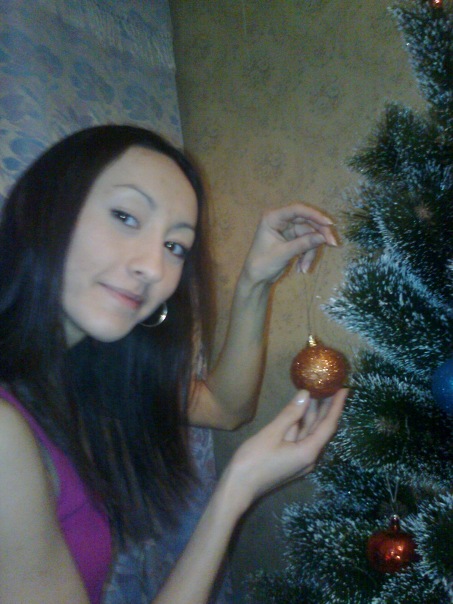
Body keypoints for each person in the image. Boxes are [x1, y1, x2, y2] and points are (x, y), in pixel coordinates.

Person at [0, 124, 348, 603]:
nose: (153, 267)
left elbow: (225, 408)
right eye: (125, 216)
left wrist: (256, 281)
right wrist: (235, 492)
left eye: (175, 246)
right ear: (43, 210)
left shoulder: (78, 373)